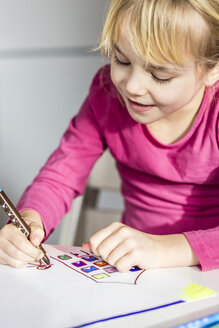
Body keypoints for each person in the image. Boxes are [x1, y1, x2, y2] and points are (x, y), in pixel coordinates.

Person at [0, 0, 218, 271]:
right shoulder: (106, 95)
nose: (133, 86)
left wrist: (169, 249)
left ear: (213, 69)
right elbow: (61, 176)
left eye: (160, 75)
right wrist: (30, 219)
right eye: (121, 60)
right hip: (136, 275)